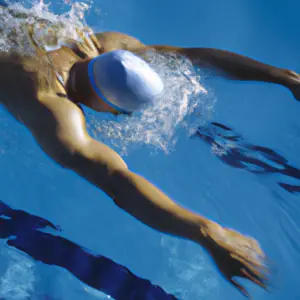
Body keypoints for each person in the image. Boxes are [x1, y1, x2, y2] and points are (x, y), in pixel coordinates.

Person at [3, 4, 300, 297]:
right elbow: (116, 180)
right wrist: (207, 233)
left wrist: (281, 76)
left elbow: (194, 58)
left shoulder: (98, 46)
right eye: (120, 113)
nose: (119, 118)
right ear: (109, 107)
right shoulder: (54, 109)